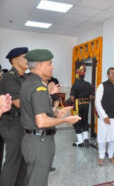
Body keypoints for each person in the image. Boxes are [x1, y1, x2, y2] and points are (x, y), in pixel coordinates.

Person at [20, 49, 81, 186]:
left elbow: (36, 113)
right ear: (40, 65)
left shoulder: (29, 83)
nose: (52, 67)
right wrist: (65, 120)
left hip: (33, 140)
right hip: (39, 142)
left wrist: (56, 114)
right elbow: (41, 122)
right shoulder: (39, 88)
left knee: (32, 180)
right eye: (50, 63)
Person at [0, 47, 29, 186]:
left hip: (23, 122)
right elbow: (19, 103)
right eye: (25, 57)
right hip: (12, 123)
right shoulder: (9, 76)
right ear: (14, 60)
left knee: (24, 162)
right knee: (13, 161)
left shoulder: (25, 77)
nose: (28, 60)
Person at [69, 64, 93, 147]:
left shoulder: (75, 84)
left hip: (77, 105)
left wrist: (68, 101)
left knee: (77, 122)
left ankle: (80, 141)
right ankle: (86, 138)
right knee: (85, 121)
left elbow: (72, 98)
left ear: (78, 75)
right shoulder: (88, 84)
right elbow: (91, 97)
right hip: (86, 105)